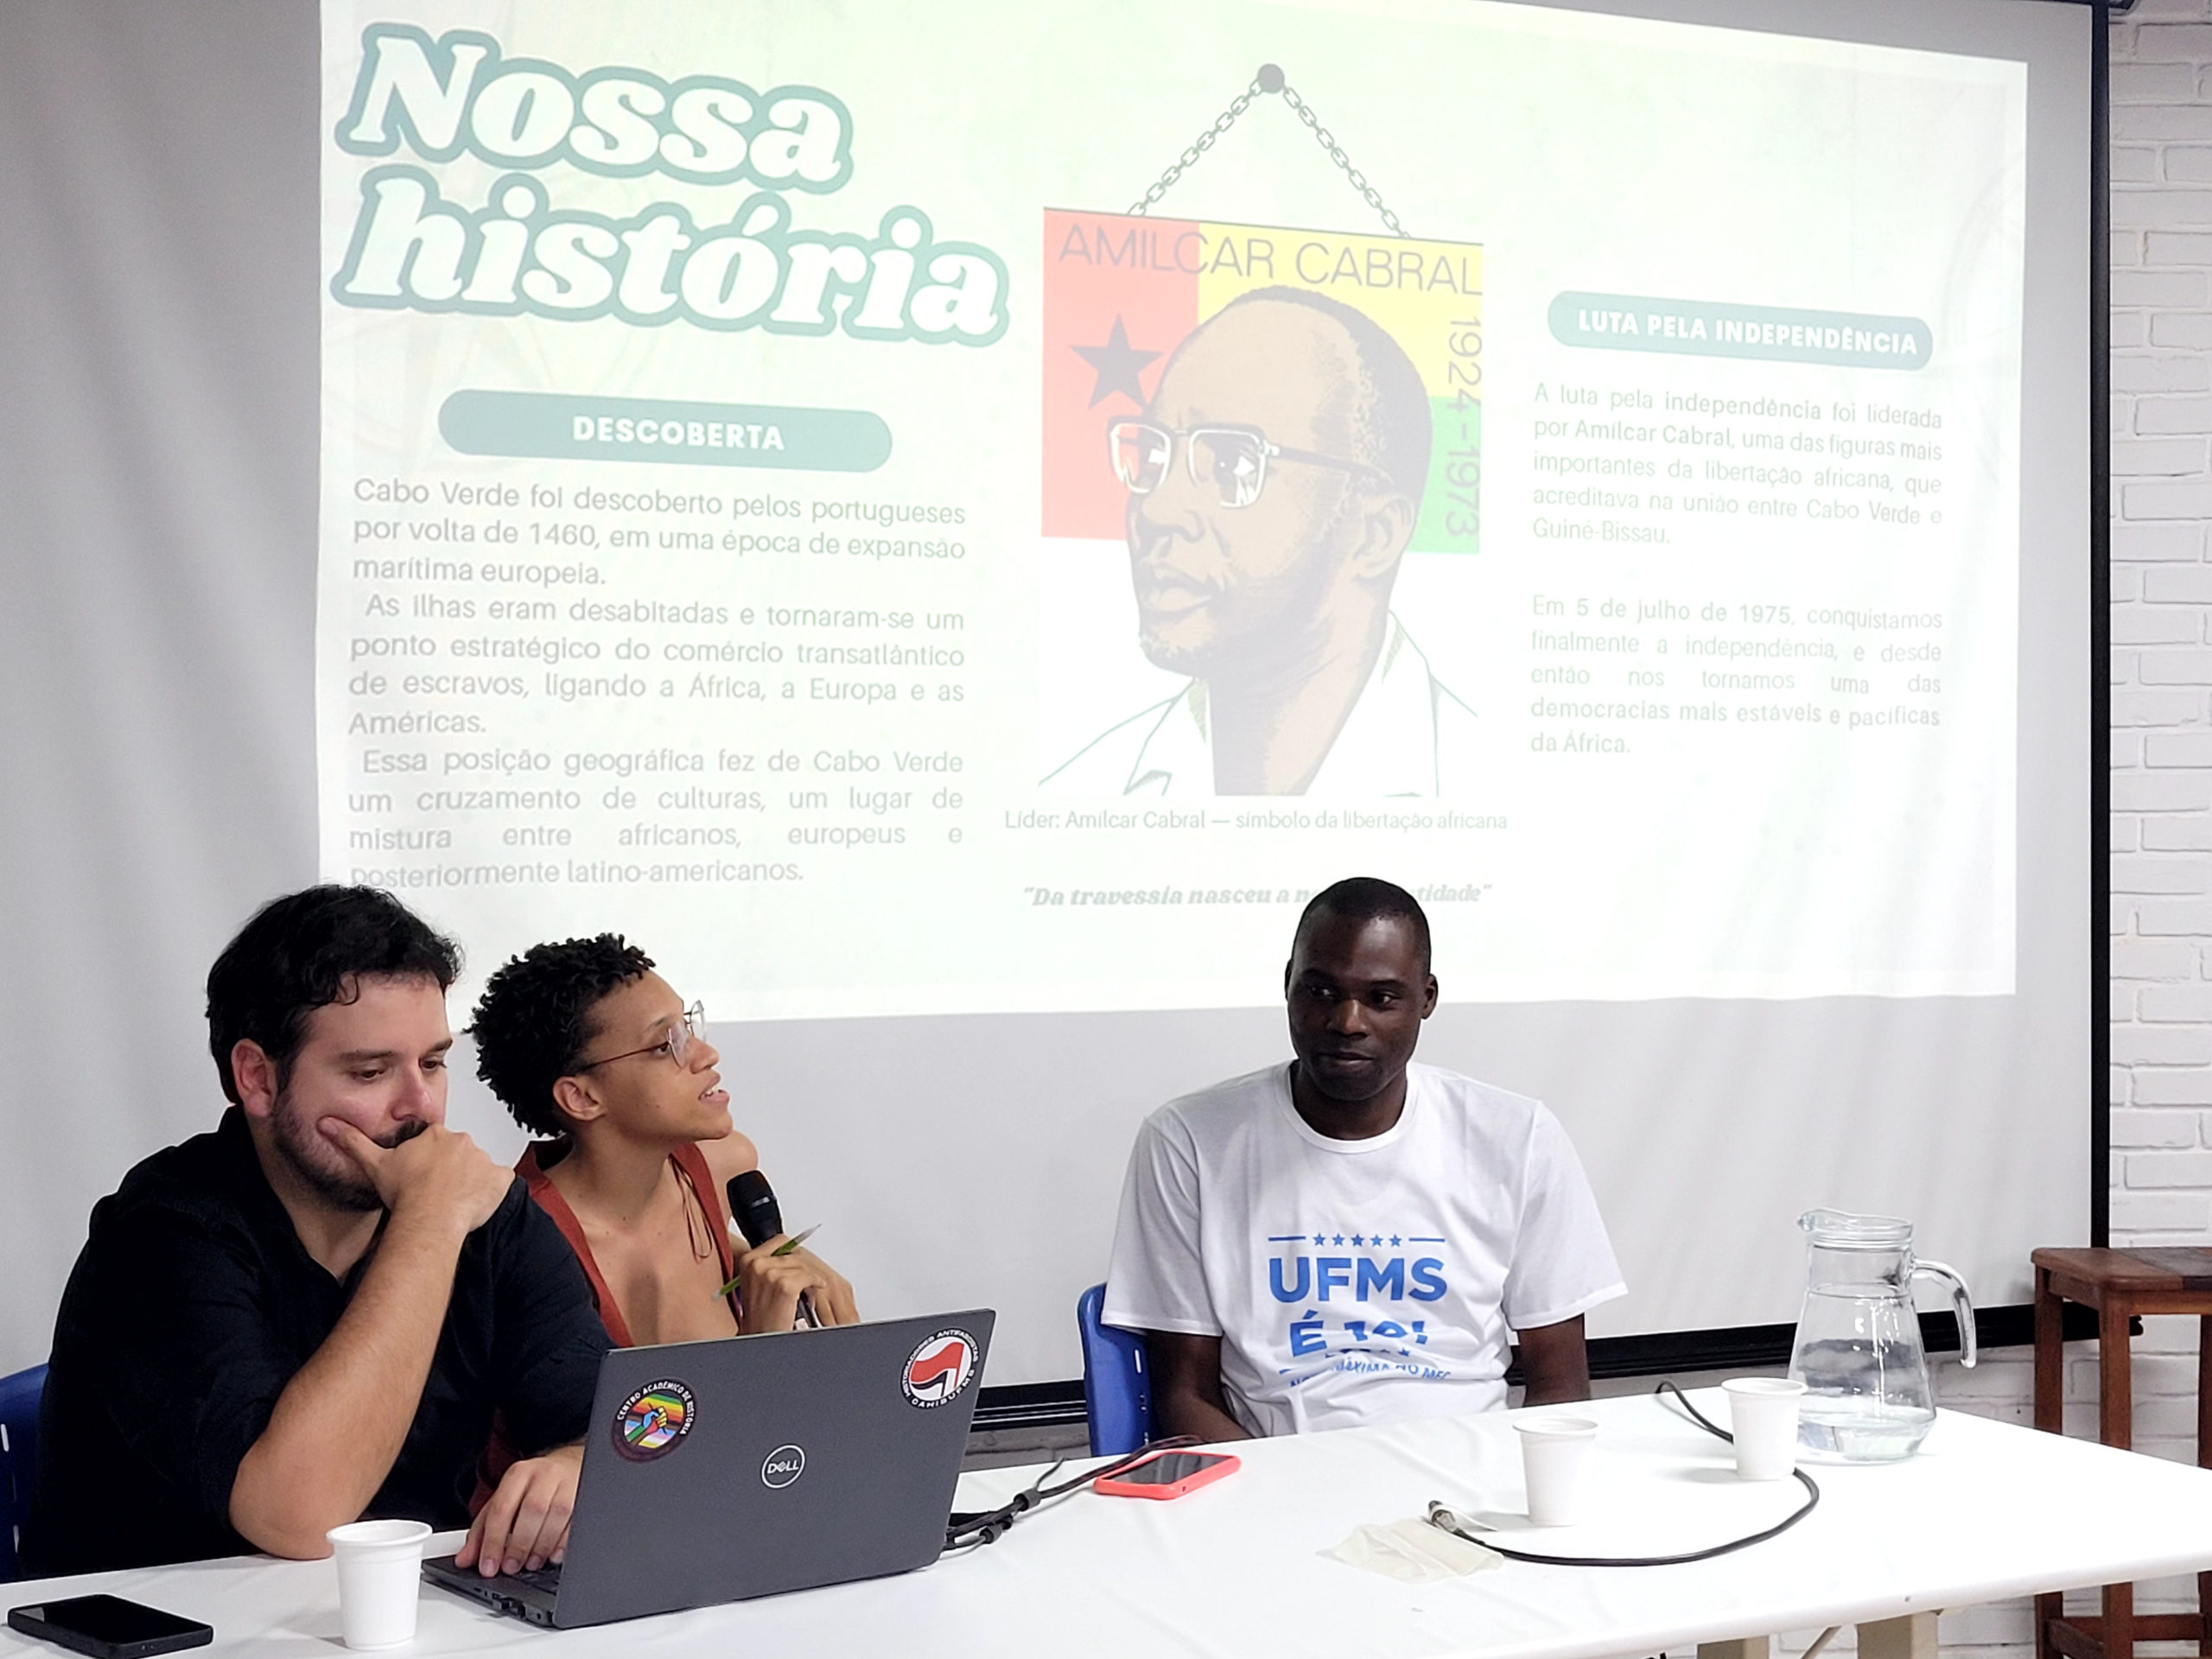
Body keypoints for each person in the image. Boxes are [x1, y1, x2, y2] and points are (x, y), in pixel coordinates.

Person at [23, 887, 611, 1578]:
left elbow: (621, 1426)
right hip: (171, 1622)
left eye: (432, 1063)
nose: (420, 1107)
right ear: (257, 1079)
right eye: (370, 1071)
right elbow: (299, 1517)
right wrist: (427, 1225)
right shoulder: (159, 1235)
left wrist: (578, 1466)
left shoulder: (483, 1212)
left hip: (417, 1617)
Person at [1103, 877, 1623, 1438]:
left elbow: (1560, 1386)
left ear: (1426, 999)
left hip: (1466, 1468)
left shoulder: (1518, 1137)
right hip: (1285, 1469)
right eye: (1322, 991)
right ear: (1288, 985)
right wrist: (1284, 1485)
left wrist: (1508, 1482)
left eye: (1381, 998)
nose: (1348, 1022)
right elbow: (1183, 1395)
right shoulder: (1189, 1140)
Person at [1045, 287, 1474, 798]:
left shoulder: (1480, 780)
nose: (1157, 510)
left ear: (1374, 536)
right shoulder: (1079, 793)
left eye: (1233, 464)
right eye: (1154, 457)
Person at [468, 934, 855, 1349]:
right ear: (582, 1097)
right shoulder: (522, 1243)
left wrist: (776, 1263)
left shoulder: (724, 1166)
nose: (706, 1055)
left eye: (686, 1027)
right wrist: (759, 1346)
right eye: (663, 1046)